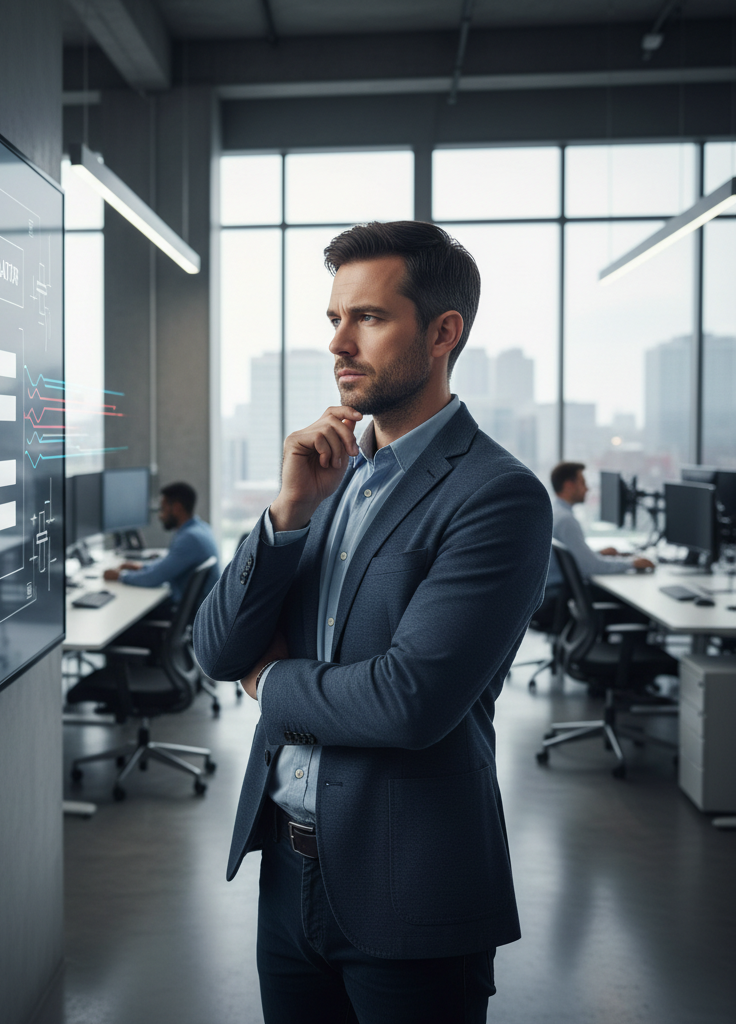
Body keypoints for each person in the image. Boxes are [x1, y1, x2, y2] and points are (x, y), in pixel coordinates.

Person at [194, 221, 552, 1024]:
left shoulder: (498, 495)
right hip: (286, 872)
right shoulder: (327, 478)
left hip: (412, 885)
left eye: (369, 318)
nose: (339, 344)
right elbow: (217, 651)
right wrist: (287, 512)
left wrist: (274, 680)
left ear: (442, 333)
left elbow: (409, 700)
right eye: (333, 320)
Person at [104, 481, 219, 609]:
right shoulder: (201, 528)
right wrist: (141, 567)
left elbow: (153, 579)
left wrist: (120, 576)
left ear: (176, 508)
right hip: (199, 608)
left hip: (190, 611)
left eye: (162, 509)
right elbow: (167, 564)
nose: (160, 516)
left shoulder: (189, 539)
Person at [545, 461, 654, 594]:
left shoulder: (555, 512)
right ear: (569, 485)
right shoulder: (566, 521)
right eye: (583, 483)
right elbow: (591, 566)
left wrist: (596, 554)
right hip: (561, 592)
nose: (587, 489)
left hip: (557, 590)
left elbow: (577, 558)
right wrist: (632, 563)